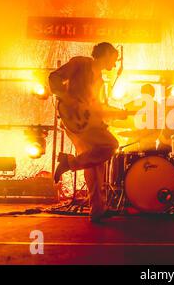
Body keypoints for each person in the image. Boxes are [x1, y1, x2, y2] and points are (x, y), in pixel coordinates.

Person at [49, 42, 122, 222]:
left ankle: (97, 210)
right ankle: (69, 163)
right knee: (111, 145)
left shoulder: (100, 82)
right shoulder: (80, 63)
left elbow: (96, 107)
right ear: (106, 53)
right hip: (74, 119)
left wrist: (115, 113)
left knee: (94, 162)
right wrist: (67, 99)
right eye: (114, 58)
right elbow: (54, 77)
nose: (115, 63)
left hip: (86, 122)